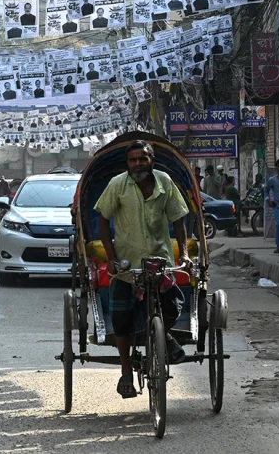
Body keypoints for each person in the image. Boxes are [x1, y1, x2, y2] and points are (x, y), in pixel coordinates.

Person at [96, 139, 191, 399]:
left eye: (142, 159)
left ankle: (164, 335)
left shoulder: (165, 182)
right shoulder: (118, 184)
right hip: (127, 266)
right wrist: (112, 258)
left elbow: (179, 220)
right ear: (127, 163)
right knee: (120, 320)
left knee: (173, 306)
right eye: (132, 160)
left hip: (159, 261)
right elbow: (103, 220)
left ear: (152, 160)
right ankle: (126, 370)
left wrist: (183, 254)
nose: (137, 164)